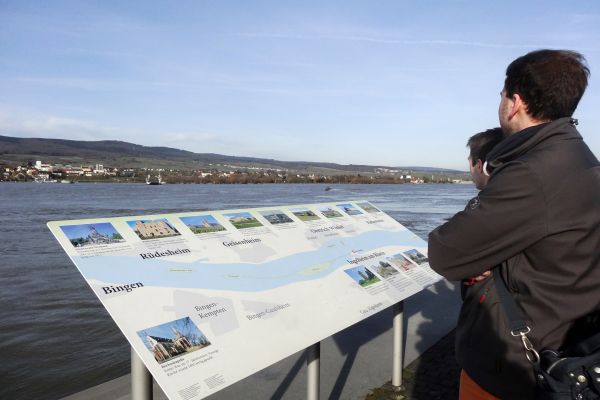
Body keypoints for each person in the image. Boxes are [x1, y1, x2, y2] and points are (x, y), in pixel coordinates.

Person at [428, 49, 600, 399]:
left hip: (515, 364)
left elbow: (444, 252)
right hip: (565, 339)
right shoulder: (581, 160)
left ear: (514, 102)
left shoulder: (531, 173)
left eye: (502, 95)